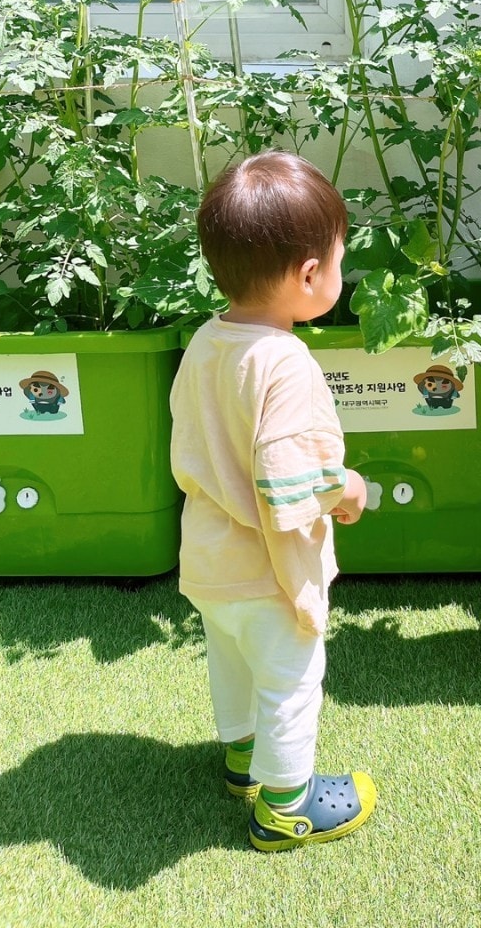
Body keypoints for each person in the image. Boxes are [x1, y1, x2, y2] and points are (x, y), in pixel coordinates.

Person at [170, 150, 377, 850]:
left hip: (206, 559)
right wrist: (346, 490)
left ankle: (240, 761)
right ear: (310, 275)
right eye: (338, 261)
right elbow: (289, 481)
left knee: (230, 660)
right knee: (292, 680)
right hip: (266, 569)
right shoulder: (286, 363)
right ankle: (285, 806)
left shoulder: (206, 341)